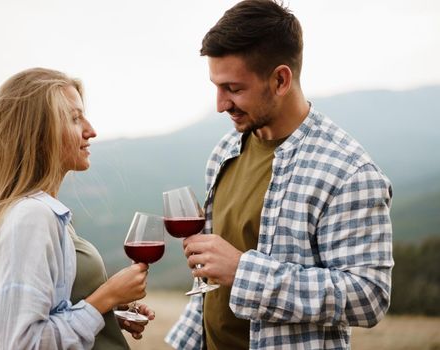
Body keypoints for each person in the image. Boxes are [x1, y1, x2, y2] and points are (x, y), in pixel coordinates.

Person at [165, 1, 394, 349]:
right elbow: (214, 279)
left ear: (281, 79)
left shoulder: (349, 172)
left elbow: (369, 296)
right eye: (216, 86)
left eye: (234, 88)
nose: (220, 104)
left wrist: (244, 272)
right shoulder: (225, 151)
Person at [0, 67, 154, 349]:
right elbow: (23, 343)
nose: (91, 130)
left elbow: (54, 310)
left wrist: (107, 315)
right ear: (38, 134)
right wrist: (106, 297)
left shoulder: (45, 213)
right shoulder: (30, 216)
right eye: (75, 118)